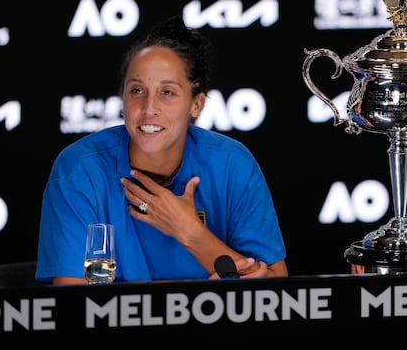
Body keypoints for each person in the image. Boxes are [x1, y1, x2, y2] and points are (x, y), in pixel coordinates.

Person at [35, 15, 288, 284]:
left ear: (197, 104)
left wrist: (189, 232)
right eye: (136, 91)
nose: (148, 109)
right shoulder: (80, 171)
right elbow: (75, 307)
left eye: (167, 92)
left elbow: (275, 292)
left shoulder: (234, 166)